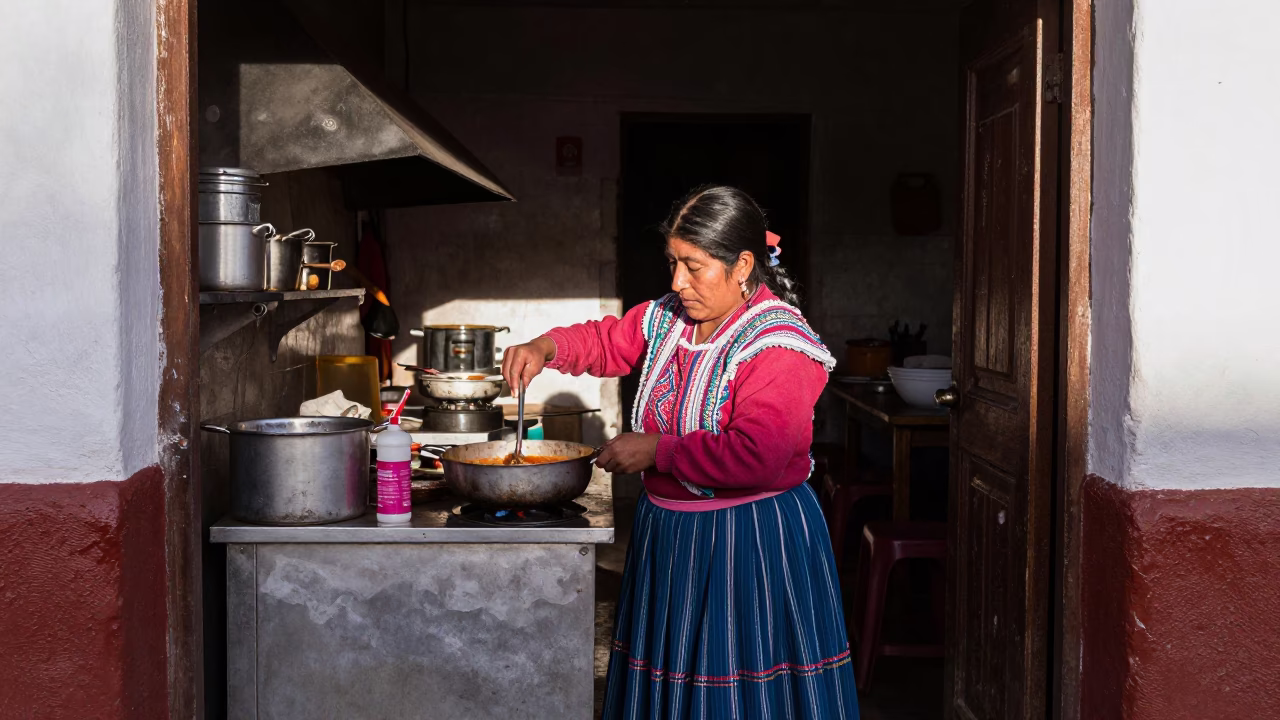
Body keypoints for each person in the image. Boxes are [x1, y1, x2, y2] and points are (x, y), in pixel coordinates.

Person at [502, 186, 859, 719]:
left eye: (694, 266)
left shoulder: (779, 344)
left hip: (747, 545)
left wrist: (657, 452)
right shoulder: (669, 319)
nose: (677, 282)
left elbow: (758, 454)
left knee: (735, 692)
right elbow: (606, 341)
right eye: (673, 263)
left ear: (742, 265)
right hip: (668, 537)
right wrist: (546, 348)